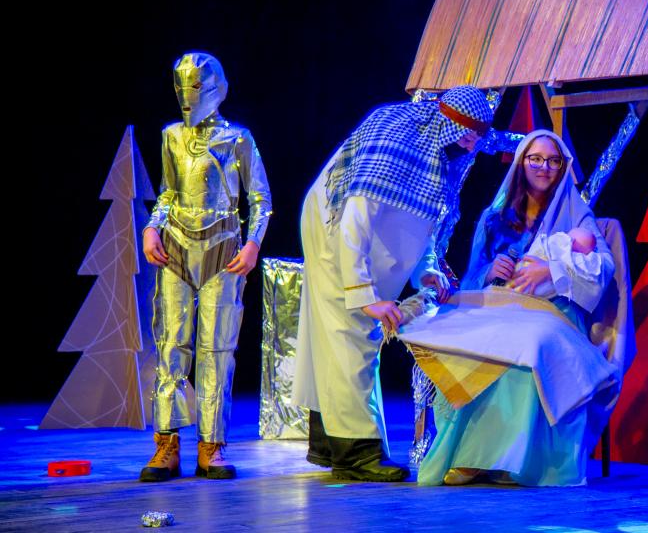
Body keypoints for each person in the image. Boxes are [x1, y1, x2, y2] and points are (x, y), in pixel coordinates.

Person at [292, 86, 494, 482]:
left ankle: (329, 442)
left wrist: (427, 270)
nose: (472, 145)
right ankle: (357, 453)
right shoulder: (398, 141)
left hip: (366, 241)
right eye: (468, 135)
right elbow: (355, 218)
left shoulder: (442, 151)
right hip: (336, 233)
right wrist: (363, 295)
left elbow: (423, 215)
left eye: (478, 137)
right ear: (450, 125)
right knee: (353, 332)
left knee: (335, 337)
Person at [400, 130, 617, 486]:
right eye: (536, 159)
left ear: (563, 167)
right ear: (521, 163)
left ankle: (513, 461)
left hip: (553, 312)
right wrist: (490, 271)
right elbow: (471, 281)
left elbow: (603, 267)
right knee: (477, 339)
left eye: (553, 161)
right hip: (501, 305)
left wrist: (552, 270)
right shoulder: (495, 217)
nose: (544, 167)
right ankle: (468, 456)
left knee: (532, 340)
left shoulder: (576, 214)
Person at [140, 52, 272, 482]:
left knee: (217, 349)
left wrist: (253, 244)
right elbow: (167, 192)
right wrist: (152, 228)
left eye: (196, 86)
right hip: (176, 247)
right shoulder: (171, 136)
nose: (188, 95)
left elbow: (260, 198)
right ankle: (166, 444)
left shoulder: (238, 138)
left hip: (223, 250)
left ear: (216, 88)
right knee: (171, 346)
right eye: (182, 86)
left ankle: (211, 445)